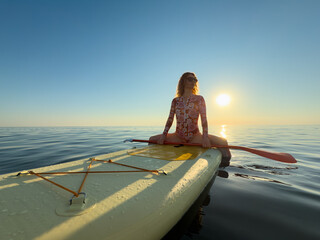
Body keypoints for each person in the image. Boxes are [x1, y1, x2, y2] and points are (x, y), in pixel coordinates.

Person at [149, 72, 231, 163]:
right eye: (190, 79)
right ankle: (151, 162)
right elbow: (170, 119)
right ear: (183, 81)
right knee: (152, 139)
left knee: (223, 142)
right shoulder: (175, 101)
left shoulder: (199, 99)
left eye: (195, 80)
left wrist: (205, 137)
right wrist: (164, 135)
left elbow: (204, 119)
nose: (193, 82)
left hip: (195, 137)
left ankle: (224, 167)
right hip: (178, 136)